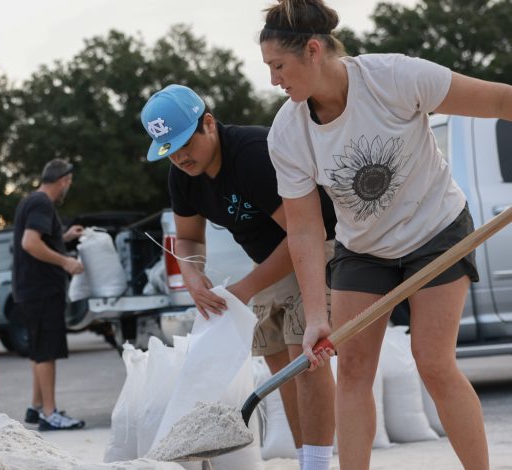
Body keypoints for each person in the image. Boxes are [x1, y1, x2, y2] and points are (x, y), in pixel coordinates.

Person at [259, 1, 512, 468]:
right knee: (353, 369)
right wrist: (316, 315)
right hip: (363, 249)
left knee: (433, 363)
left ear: (312, 50)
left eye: (278, 65)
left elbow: (500, 100)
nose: (273, 79)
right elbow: (306, 227)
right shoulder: (288, 133)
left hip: (437, 232)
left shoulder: (395, 78)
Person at [140, 84, 337, 469]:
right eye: (169, 149)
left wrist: (246, 287)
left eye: (184, 144)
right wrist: (193, 275)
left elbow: (305, 233)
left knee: (306, 362)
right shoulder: (182, 175)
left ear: (208, 124)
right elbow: (189, 236)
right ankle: (305, 460)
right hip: (268, 261)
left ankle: (318, 466)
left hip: (318, 248)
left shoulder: (252, 156)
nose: (179, 157)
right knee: (280, 372)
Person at [12, 158, 86, 431]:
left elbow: (39, 237)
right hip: (41, 290)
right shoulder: (42, 203)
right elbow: (30, 243)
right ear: (64, 180)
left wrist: (64, 237)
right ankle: (50, 413)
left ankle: (35, 408)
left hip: (31, 290)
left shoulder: (30, 201)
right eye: (69, 182)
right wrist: (66, 262)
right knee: (47, 352)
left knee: (39, 351)